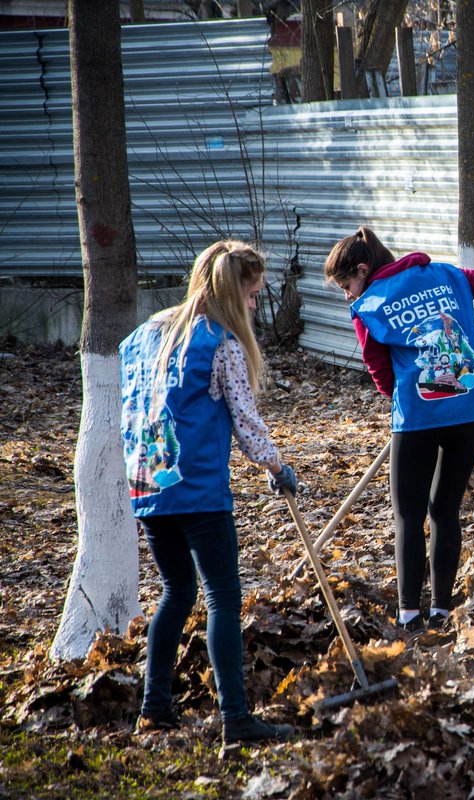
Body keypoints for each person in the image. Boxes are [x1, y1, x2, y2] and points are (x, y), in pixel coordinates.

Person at [120, 240, 298, 746]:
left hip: (150, 486)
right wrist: (278, 467)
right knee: (222, 596)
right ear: (233, 290)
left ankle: (155, 708)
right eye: (253, 293)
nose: (254, 304)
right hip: (198, 490)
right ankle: (236, 718)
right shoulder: (221, 343)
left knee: (176, 593)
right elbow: (245, 419)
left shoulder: (144, 335)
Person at [323, 227, 474, 634]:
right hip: (469, 414)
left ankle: (409, 614)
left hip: (418, 419)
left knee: (408, 516)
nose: (347, 294)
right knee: (445, 511)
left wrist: (406, 403)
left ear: (362, 269)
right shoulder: (447, 273)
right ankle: (441, 610)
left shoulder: (369, 304)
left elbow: (379, 371)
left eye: (346, 284)